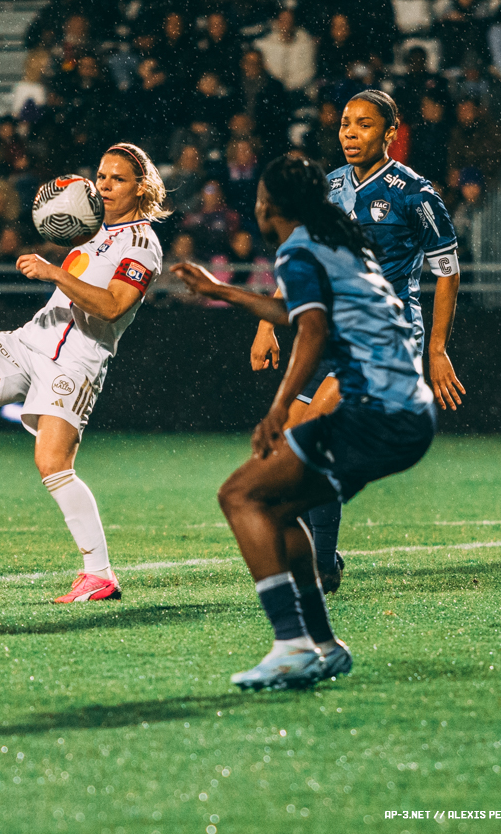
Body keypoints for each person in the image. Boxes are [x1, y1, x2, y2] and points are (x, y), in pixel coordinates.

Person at [174, 155, 438, 690]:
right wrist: (223, 291)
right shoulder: (340, 239)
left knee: (240, 496)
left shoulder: (297, 249)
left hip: (374, 411)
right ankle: (322, 644)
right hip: (407, 409)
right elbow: (301, 313)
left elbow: (311, 331)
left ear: (267, 204)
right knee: (279, 506)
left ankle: (293, 643)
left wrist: (279, 407)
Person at [0, 144, 168, 603]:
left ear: (140, 187)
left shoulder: (141, 243)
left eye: (117, 179)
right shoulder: (93, 231)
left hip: (76, 363)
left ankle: (100, 574)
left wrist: (52, 273)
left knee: (53, 465)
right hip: (32, 341)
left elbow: (112, 305)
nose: (103, 186)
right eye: (100, 176)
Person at [250, 90, 461, 594]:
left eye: (364, 125)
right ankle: (322, 555)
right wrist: (267, 324)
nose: (349, 132)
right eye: (345, 123)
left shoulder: (415, 193)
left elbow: (447, 271)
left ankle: (319, 565)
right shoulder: (329, 187)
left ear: (390, 133)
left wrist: (435, 349)